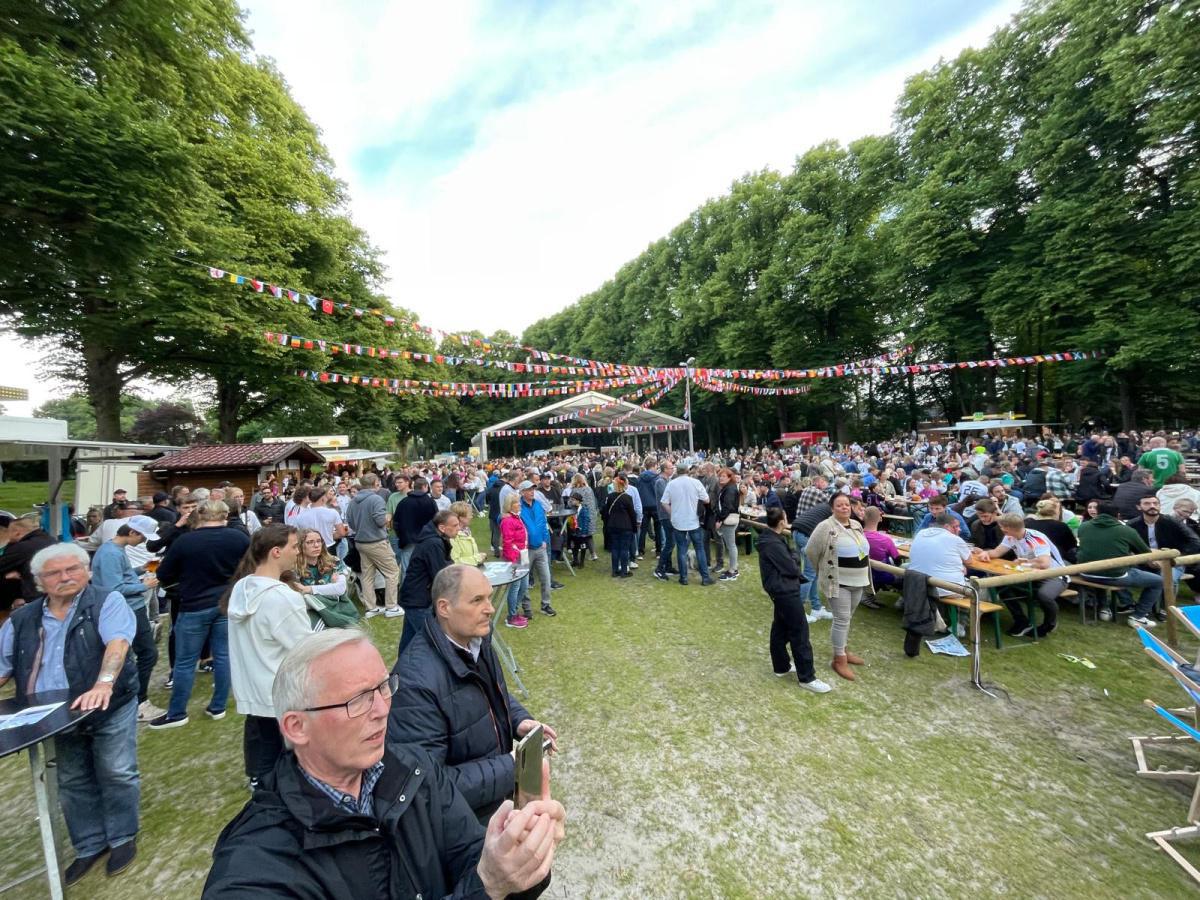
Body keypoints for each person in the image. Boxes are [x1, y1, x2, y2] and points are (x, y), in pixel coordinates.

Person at [202, 629, 563, 899]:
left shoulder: (412, 770)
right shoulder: (256, 869)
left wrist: (517, 859)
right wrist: (487, 886)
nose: (382, 710)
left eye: (383, 687)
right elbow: (482, 882)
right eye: (357, 700)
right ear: (297, 727)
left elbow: (471, 856)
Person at [0, 543, 141, 883]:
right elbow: (3, 667)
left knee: (116, 770)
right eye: (54, 573)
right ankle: (89, 845)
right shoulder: (22, 618)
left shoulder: (107, 601)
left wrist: (104, 683)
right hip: (52, 715)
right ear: (38, 581)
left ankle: (122, 837)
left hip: (109, 703)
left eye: (73, 569)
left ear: (87, 571)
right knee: (71, 780)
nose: (65, 577)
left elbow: (118, 643)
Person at [389, 565, 559, 821]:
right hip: (461, 828)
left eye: (489, 598)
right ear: (444, 608)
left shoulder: (475, 642)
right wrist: (510, 766)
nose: (490, 608)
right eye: (477, 600)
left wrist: (519, 720)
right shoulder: (416, 683)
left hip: (492, 804)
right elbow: (426, 786)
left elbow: (491, 694)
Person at [224, 525, 313, 788]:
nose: (298, 552)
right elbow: (306, 649)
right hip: (283, 695)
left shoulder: (241, 589)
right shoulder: (281, 598)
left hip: (254, 692)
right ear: (276, 552)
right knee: (290, 771)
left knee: (262, 760)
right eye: (295, 547)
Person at [150, 501, 249, 729]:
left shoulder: (186, 541)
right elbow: (250, 566)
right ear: (225, 514)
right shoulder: (238, 538)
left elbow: (164, 573)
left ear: (200, 515)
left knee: (185, 661)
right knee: (223, 655)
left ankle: (177, 713)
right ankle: (218, 706)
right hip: (227, 601)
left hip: (194, 604)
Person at [90, 515, 162, 721]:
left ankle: (134, 698)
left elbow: (119, 575)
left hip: (131, 607)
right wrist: (144, 586)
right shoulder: (111, 553)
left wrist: (142, 568)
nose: (144, 542)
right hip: (129, 608)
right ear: (132, 533)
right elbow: (115, 588)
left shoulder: (113, 550)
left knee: (140, 654)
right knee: (147, 654)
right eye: (142, 537)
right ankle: (139, 701)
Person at [756, 508, 831, 694]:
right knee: (800, 631)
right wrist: (796, 557)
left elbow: (790, 563)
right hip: (784, 590)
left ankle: (781, 666)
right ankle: (807, 677)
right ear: (782, 522)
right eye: (785, 517)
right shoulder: (772, 543)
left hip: (783, 588)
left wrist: (793, 557)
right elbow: (791, 567)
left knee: (781, 627)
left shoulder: (774, 539)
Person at [806, 493, 873, 680]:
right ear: (832, 508)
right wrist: (823, 569)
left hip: (858, 581)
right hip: (838, 582)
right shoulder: (825, 527)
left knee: (847, 618)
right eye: (839, 505)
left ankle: (843, 649)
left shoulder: (856, 524)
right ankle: (839, 659)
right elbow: (811, 550)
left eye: (847, 505)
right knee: (842, 619)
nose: (844, 508)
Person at [975, 514, 1066, 637]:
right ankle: (1022, 621)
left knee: (1044, 595)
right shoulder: (1010, 536)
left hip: (1054, 574)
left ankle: (1049, 624)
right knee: (1000, 585)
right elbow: (997, 552)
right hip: (1029, 575)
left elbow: (1044, 563)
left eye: (1002, 527)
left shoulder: (1035, 538)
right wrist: (985, 553)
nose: (1000, 529)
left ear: (1008, 528)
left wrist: (1025, 562)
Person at [1077, 501, 1165, 626]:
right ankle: (1138, 616)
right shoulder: (1127, 531)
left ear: (1098, 512)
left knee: (1102, 568)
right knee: (1158, 581)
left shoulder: (1083, 526)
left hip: (1086, 572)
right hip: (1115, 575)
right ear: (1118, 515)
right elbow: (1145, 553)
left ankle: (1104, 608)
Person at [398, 510, 459, 656]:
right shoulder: (433, 543)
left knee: (409, 641)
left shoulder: (436, 539)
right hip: (418, 600)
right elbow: (441, 573)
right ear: (442, 528)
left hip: (415, 597)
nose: (459, 528)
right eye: (455, 525)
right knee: (435, 641)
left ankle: (399, 672)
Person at [347, 472, 402, 619]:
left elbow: (350, 523)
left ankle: (371, 608)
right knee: (392, 572)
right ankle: (391, 606)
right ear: (376, 483)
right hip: (376, 542)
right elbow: (380, 521)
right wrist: (387, 518)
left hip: (360, 542)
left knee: (367, 575)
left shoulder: (353, 501)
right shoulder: (376, 499)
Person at [658, 461, 714, 587]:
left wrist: (672, 513)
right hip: (693, 520)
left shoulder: (672, 484)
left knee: (681, 549)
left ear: (677, 471)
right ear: (688, 471)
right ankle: (705, 577)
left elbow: (664, 502)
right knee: (699, 548)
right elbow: (706, 499)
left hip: (678, 521)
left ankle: (683, 578)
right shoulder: (695, 482)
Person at [293, 528, 360, 629]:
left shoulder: (333, 561)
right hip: (312, 615)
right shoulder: (294, 568)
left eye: (318, 541)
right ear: (301, 545)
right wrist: (331, 588)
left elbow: (341, 589)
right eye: (310, 542)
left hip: (339, 611)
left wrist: (310, 589)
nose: (316, 545)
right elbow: (300, 598)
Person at [0, 514, 57, 610]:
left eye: (9, 532)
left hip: (34, 598)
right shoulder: (51, 540)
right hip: (52, 594)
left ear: (17, 533)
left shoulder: (22, 547)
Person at [519, 481, 559, 614]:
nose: (532, 492)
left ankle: (546, 605)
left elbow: (543, 523)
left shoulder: (538, 504)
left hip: (540, 547)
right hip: (526, 549)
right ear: (522, 492)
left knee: (546, 578)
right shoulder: (517, 506)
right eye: (529, 489)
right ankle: (527, 607)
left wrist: (544, 540)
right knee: (524, 581)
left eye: (533, 489)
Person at [394, 477, 439, 572]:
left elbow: (396, 522)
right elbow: (437, 520)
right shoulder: (430, 502)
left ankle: (406, 586)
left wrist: (401, 535)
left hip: (408, 539)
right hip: (427, 539)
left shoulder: (403, 503)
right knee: (426, 566)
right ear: (425, 486)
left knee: (407, 567)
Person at [499, 496, 531, 629]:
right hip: (515, 557)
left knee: (524, 586)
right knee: (515, 587)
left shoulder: (517, 517)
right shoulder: (507, 521)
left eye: (518, 502)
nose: (519, 505)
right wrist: (514, 559)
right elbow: (507, 542)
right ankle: (511, 616)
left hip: (522, 555)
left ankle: (514, 612)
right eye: (516, 503)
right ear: (510, 505)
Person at [603, 475, 638, 578]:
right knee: (624, 549)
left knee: (615, 548)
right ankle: (623, 571)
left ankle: (614, 570)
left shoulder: (610, 497)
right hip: (625, 526)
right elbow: (632, 514)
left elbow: (607, 511)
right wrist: (634, 528)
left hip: (613, 525)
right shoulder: (627, 498)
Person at [1026, 498, 1078, 564]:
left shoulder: (1029, 524)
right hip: (1055, 562)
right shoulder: (1061, 526)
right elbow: (1072, 546)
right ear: (1055, 512)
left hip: (1032, 560)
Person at [861, 506, 900, 594]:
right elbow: (898, 561)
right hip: (885, 575)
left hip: (865, 574)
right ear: (880, 518)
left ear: (863, 518)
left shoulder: (858, 536)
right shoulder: (885, 539)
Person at [715, 467, 741, 582]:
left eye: (723, 476)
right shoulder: (728, 487)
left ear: (730, 478)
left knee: (731, 546)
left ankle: (733, 571)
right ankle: (733, 568)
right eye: (720, 476)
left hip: (728, 520)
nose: (721, 478)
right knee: (731, 546)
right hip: (727, 519)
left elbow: (727, 507)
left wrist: (719, 520)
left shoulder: (730, 489)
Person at [448, 501, 487, 566]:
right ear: (461, 518)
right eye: (469, 514)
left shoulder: (466, 531)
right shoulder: (453, 537)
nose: (471, 516)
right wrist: (477, 558)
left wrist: (478, 557)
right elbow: (455, 561)